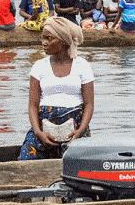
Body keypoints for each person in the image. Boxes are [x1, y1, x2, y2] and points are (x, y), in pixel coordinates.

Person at [19, 17, 94, 161]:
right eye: (43, 38)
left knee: (83, 163)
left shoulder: (82, 65)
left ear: (63, 40)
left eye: (49, 38)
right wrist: (39, 133)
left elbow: (89, 105)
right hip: (44, 129)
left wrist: (79, 131)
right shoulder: (39, 66)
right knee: (26, 158)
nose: (44, 43)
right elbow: (33, 105)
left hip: (76, 129)